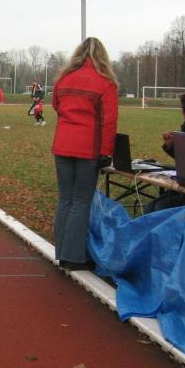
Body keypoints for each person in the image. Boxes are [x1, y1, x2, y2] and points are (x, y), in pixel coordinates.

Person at [52, 37, 118, 271]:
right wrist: (106, 151)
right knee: (81, 201)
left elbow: (56, 106)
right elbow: (109, 120)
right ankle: (73, 255)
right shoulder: (105, 82)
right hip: (87, 147)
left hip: (62, 144)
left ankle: (62, 250)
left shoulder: (64, 79)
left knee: (65, 199)